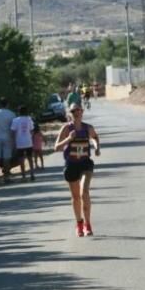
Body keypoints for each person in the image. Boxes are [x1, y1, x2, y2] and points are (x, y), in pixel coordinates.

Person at [54, 102, 101, 237]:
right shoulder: (66, 129)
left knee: (84, 192)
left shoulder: (88, 128)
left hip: (85, 163)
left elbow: (95, 137)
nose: (77, 113)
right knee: (75, 197)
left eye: (79, 110)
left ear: (82, 112)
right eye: (74, 111)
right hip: (71, 164)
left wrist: (97, 147)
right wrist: (68, 139)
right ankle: (79, 223)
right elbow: (56, 147)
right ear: (71, 113)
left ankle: (88, 224)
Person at [9, 105, 36, 181]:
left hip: (19, 142)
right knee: (30, 158)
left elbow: (13, 131)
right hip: (28, 141)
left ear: (19, 112)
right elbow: (32, 130)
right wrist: (30, 137)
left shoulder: (15, 120)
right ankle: (32, 174)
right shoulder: (29, 119)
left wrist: (13, 141)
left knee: (21, 159)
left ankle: (23, 176)